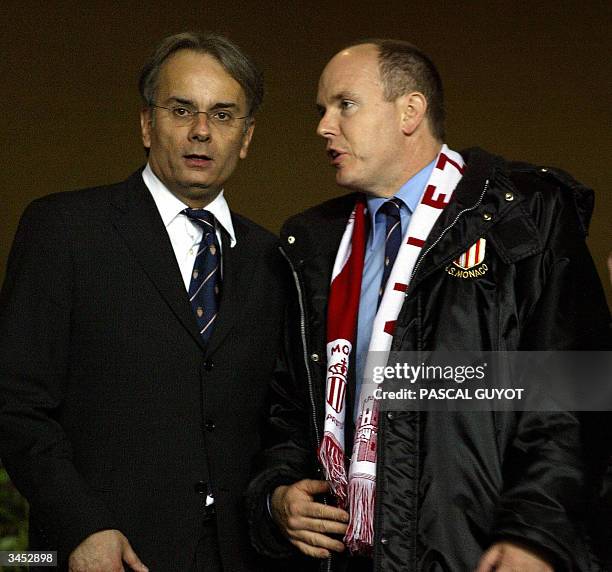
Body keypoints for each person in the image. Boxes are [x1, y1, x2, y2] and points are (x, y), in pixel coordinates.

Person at [247, 40, 611, 571]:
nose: (324, 127)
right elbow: (287, 408)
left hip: (485, 555)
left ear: (410, 111)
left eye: (344, 105)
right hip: (345, 558)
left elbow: (576, 392)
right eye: (321, 111)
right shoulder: (314, 245)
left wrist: (538, 534)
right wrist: (278, 494)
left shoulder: (524, 215)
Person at [0, 31, 286, 572]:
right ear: (146, 124)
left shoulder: (274, 260)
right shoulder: (65, 229)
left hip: (240, 556)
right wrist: (81, 524)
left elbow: (278, 418)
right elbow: (15, 403)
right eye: (182, 110)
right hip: (105, 552)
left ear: (246, 137)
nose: (201, 131)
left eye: (223, 116)